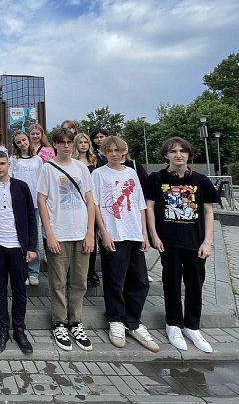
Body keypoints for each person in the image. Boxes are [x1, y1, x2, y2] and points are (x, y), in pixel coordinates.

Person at [145, 137, 219, 353]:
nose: (178, 155)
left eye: (182, 151)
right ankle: (173, 324)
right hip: (169, 242)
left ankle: (192, 326)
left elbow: (208, 211)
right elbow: (149, 207)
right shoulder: (156, 178)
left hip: (195, 243)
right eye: (173, 151)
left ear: (189, 154)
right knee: (171, 283)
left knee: (195, 284)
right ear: (166, 155)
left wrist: (208, 241)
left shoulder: (201, 180)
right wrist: (154, 235)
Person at [92, 136, 159, 352]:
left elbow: (140, 205)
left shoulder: (131, 173)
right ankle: (115, 319)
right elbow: (95, 205)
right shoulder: (98, 174)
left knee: (139, 280)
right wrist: (103, 233)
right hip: (114, 233)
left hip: (134, 233)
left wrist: (144, 234)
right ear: (104, 153)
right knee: (115, 280)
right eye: (109, 150)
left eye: (117, 150)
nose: (114, 154)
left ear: (124, 152)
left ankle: (133, 321)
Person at [37, 128, 95, 352]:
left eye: (69, 142)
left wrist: (90, 233)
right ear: (55, 145)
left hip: (80, 233)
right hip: (58, 233)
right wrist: (49, 233)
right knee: (58, 282)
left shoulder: (81, 168)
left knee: (79, 281)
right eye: (61, 142)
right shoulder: (48, 168)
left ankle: (76, 321)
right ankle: (59, 322)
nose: (66, 146)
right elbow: (41, 201)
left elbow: (90, 201)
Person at [0, 151, 36, 354]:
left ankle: (19, 329)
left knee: (19, 290)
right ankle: (3, 329)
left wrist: (32, 247)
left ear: (9, 165)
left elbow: (31, 217)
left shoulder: (21, 187)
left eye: (2, 163)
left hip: (19, 248)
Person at [9, 131, 44, 286]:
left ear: (29, 140)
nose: (22, 143)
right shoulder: (13, 160)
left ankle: (33, 271)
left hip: (35, 202)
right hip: (18, 203)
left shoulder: (38, 159)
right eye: (19, 142)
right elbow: (10, 180)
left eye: (24, 140)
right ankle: (22, 271)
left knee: (33, 237)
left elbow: (42, 180)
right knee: (19, 237)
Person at [73, 132, 100, 287]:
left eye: (86, 142)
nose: (83, 145)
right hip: (78, 203)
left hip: (94, 202)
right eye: (80, 142)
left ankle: (91, 271)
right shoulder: (73, 162)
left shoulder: (95, 160)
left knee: (92, 236)